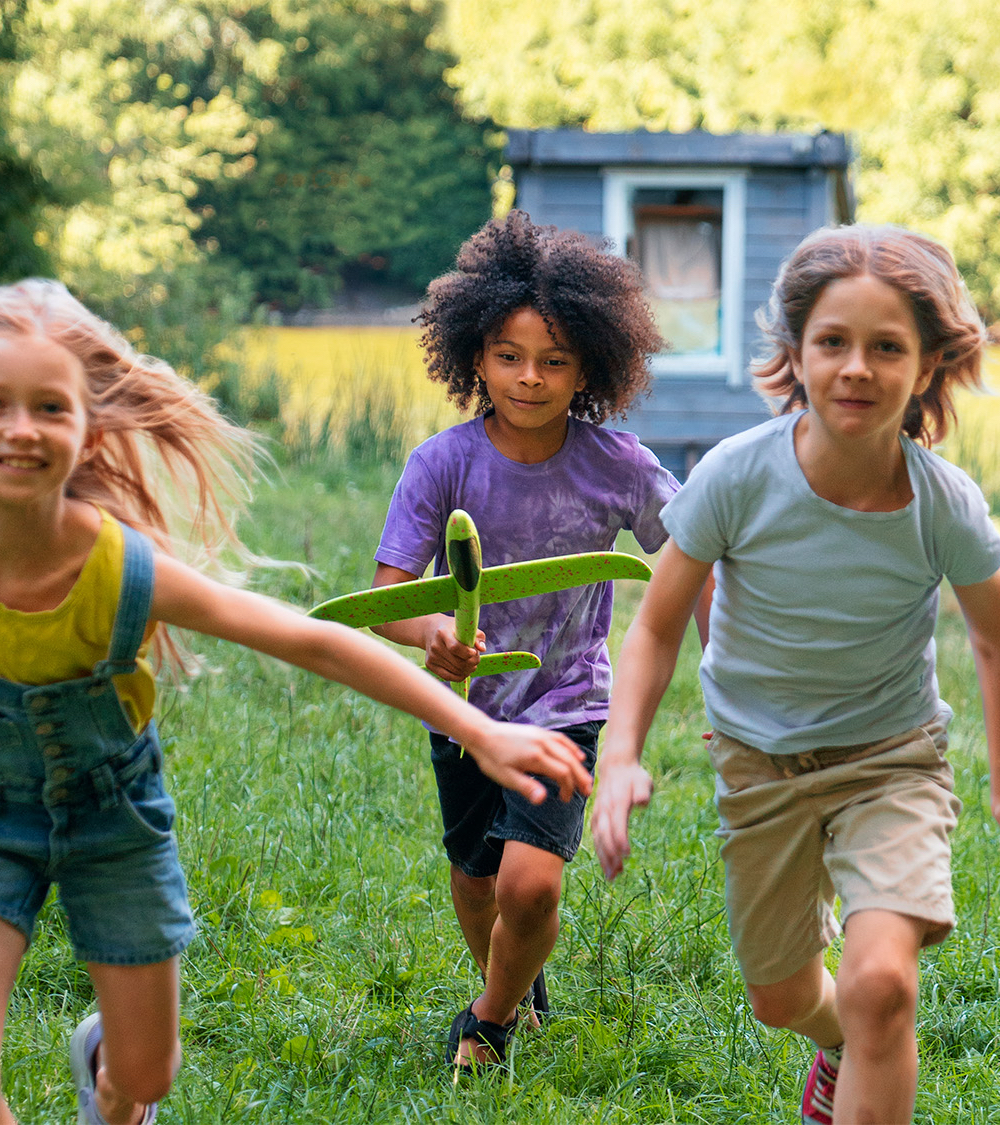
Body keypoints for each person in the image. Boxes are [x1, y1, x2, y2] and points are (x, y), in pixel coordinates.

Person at [0, 279, 592, 1125]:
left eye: (49, 406)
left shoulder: (116, 561)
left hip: (114, 827)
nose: (19, 427)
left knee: (147, 1070)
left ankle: (113, 1083)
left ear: (84, 427)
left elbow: (306, 638)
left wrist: (478, 725)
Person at [590, 224, 1000, 1125]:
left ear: (926, 368)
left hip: (893, 760)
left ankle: (864, 1034)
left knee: (882, 982)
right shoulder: (735, 476)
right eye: (833, 342)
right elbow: (652, 625)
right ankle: (834, 1042)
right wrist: (622, 751)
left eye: (888, 347)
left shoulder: (942, 503)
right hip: (759, 763)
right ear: (795, 353)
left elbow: (999, 643)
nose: (856, 367)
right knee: (782, 997)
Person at [368, 211, 687, 1071]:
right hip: (464, 709)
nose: (530, 378)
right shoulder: (440, 464)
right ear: (473, 354)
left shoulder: (620, 465)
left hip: (569, 704)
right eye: (509, 356)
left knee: (529, 881)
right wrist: (431, 630)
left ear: (590, 364)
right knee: (476, 882)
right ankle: (512, 984)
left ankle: (489, 1024)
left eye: (554, 360)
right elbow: (386, 603)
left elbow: (692, 556)